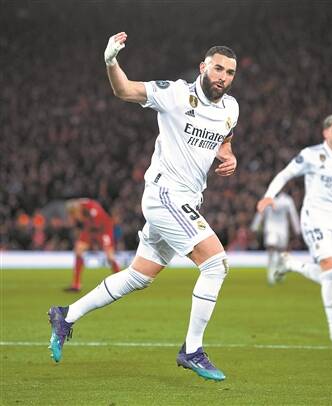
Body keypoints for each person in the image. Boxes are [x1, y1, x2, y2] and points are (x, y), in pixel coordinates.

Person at [47, 32, 239, 381]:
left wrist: (229, 156)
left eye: (229, 72)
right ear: (203, 67)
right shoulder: (175, 94)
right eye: (218, 69)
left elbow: (224, 139)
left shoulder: (231, 109)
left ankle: (66, 315)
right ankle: (192, 350)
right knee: (215, 264)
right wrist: (111, 62)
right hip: (166, 195)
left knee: (138, 277)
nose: (223, 77)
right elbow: (125, 90)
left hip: (187, 200)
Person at [256, 114, 332, 343]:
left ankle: (290, 264)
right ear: (326, 133)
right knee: (329, 270)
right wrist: (269, 195)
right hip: (314, 218)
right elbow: (286, 173)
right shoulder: (311, 155)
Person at [64, 198, 120, 292]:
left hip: (104, 228)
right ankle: (76, 285)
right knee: (78, 251)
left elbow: (97, 224)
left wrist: (95, 242)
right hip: (90, 228)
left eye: (74, 213)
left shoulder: (93, 209)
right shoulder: (81, 206)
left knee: (110, 257)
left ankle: (120, 280)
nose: (74, 216)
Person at [250, 192, 300, 284]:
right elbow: (260, 212)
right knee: (271, 248)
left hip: (282, 229)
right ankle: (271, 273)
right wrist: (255, 226)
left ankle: (280, 271)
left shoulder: (287, 200)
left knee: (281, 252)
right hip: (270, 227)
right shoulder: (267, 198)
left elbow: (293, 214)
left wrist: (297, 230)